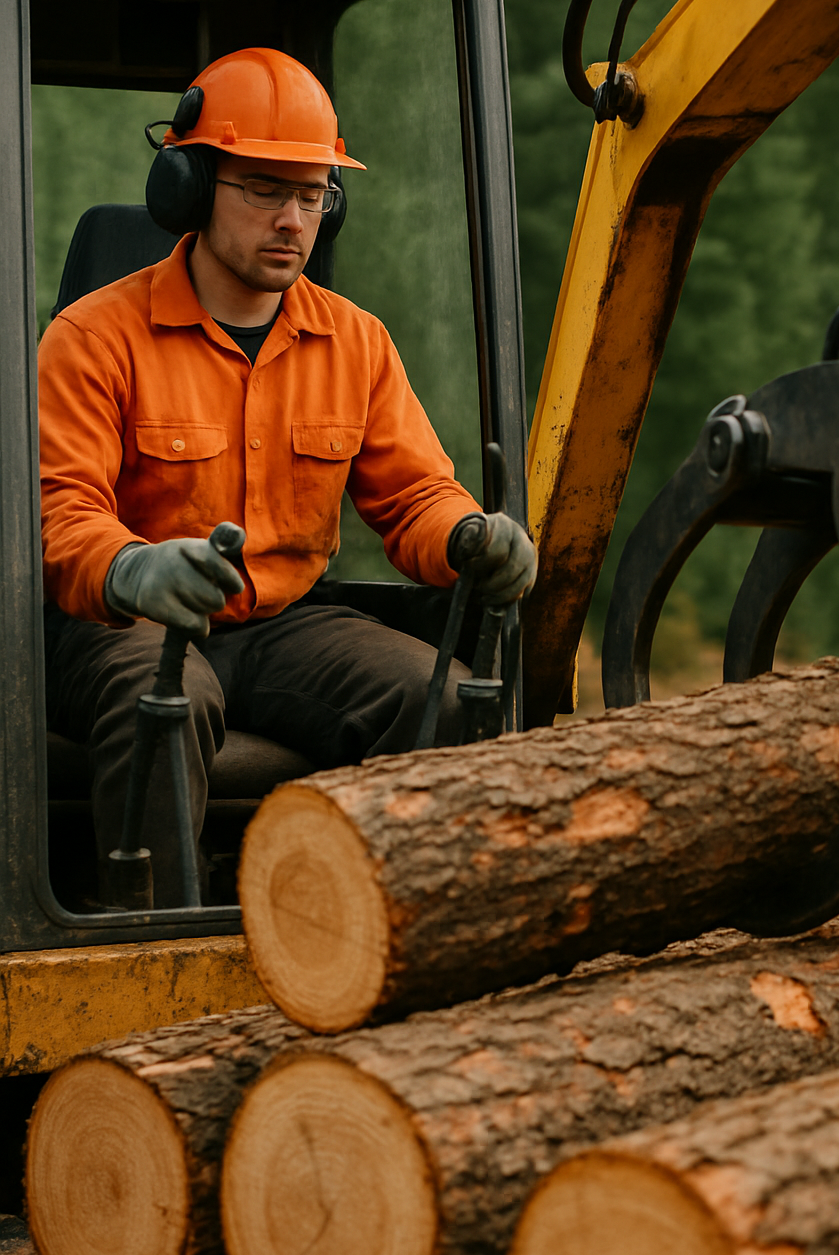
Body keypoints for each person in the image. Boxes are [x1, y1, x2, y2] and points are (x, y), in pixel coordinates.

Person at [39, 47, 536, 908]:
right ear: (191, 188)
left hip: (281, 627)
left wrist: (467, 537)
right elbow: (60, 512)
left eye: (312, 196)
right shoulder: (93, 338)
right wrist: (134, 566)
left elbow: (414, 494)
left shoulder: (356, 341)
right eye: (265, 190)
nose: (292, 220)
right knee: (165, 700)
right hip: (123, 624)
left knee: (450, 702)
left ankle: (379, 934)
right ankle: (151, 945)